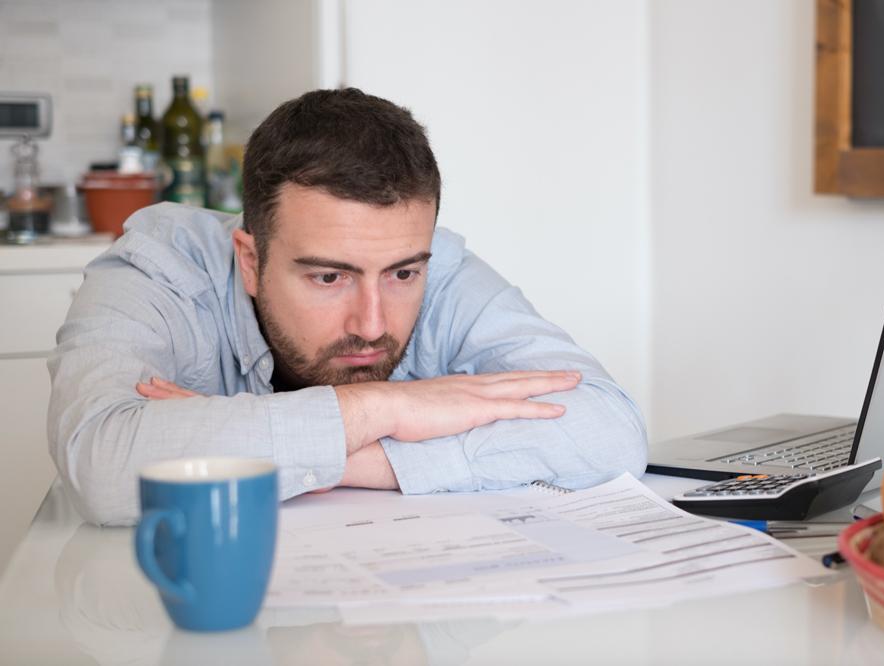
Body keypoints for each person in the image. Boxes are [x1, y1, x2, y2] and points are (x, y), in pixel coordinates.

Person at [48, 88, 647, 526]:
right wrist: (389, 406)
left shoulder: (436, 263)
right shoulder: (161, 268)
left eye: (403, 275)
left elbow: (609, 430)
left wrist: (350, 457)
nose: (373, 324)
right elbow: (102, 466)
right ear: (251, 261)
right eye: (330, 277)